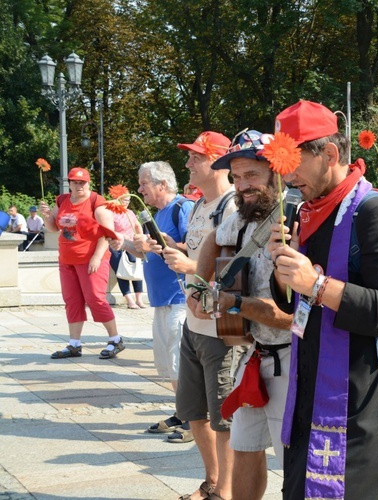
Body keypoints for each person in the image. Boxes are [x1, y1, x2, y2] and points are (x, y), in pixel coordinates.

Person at [268, 100, 378, 499]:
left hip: (357, 402)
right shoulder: (307, 210)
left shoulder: (374, 212)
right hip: (308, 393)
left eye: (294, 161)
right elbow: (292, 304)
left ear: (330, 154)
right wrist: (281, 269)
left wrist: (316, 285)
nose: (288, 175)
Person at [190, 129, 294, 499]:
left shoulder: (294, 217)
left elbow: (295, 317)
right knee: (245, 446)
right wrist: (199, 288)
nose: (242, 185)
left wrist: (234, 305)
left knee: (292, 459)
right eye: (235, 177)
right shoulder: (242, 216)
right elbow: (215, 236)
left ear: (275, 171)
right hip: (254, 355)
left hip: (292, 359)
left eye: (251, 175)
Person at [162, 131, 236, 500]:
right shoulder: (197, 205)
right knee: (193, 411)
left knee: (224, 418)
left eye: (196, 157)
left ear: (218, 162)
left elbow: (239, 269)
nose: (188, 163)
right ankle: (211, 482)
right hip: (195, 322)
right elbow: (194, 252)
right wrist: (165, 247)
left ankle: (224, 490)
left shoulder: (233, 206)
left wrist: (190, 264)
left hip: (221, 327)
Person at [115, 162, 195, 442]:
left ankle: (193, 420)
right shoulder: (157, 214)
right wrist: (125, 244)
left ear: (162, 184)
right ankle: (183, 412)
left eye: (143, 183)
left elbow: (192, 247)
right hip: (162, 299)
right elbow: (149, 254)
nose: (139, 189)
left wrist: (167, 243)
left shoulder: (181, 208)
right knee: (168, 362)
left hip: (179, 297)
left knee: (179, 362)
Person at [38, 167, 125, 360]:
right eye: (75, 182)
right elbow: (53, 228)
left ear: (88, 183)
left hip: (92, 258)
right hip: (67, 259)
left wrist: (96, 257)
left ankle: (115, 339)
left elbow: (107, 232)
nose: (78, 185)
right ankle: (74, 344)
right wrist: (46, 217)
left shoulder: (97, 202)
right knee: (72, 301)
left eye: (82, 182)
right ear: (69, 183)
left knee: (95, 298)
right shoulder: (62, 200)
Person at [108, 195, 145, 310]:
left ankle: (139, 299)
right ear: (117, 200)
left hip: (131, 244)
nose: (126, 203)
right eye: (124, 200)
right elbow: (106, 228)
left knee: (136, 270)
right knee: (121, 272)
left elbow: (137, 226)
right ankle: (129, 300)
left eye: (128, 201)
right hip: (116, 246)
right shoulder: (110, 212)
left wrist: (141, 239)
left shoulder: (130, 213)